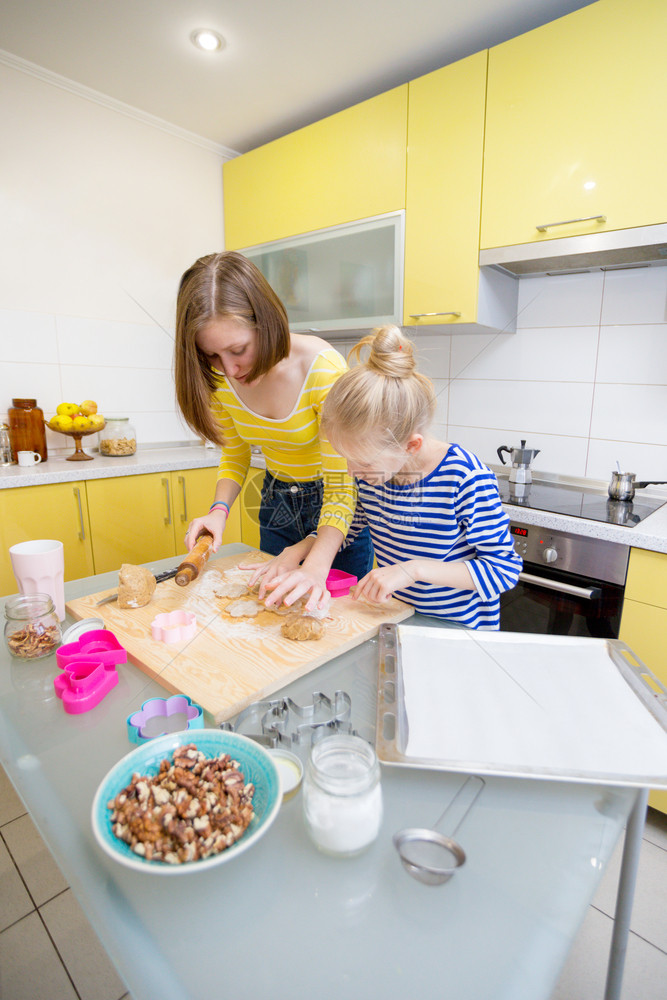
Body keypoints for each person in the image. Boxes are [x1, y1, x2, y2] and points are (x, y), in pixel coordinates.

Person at [174, 251, 374, 609]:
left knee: (334, 621)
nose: (230, 369)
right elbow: (235, 453)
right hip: (276, 501)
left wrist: (314, 567)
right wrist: (217, 511)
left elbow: (342, 486)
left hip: (336, 515)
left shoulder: (322, 370)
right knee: (273, 616)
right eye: (213, 356)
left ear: (265, 322)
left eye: (239, 349)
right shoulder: (220, 377)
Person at [319, 325, 522, 629]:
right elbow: (346, 532)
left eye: (361, 461)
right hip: (398, 620)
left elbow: (503, 571)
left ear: (411, 445)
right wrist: (299, 551)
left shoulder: (465, 477)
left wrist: (413, 570)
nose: (351, 472)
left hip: (460, 633)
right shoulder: (374, 475)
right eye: (345, 458)